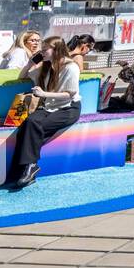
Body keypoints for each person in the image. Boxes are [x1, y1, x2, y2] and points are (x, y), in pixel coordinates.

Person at [8, 36, 83, 189]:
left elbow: (70, 94)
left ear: (56, 50)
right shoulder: (46, 66)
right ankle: (25, 168)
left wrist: (44, 94)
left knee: (34, 125)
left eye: (45, 49)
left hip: (69, 108)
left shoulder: (71, 67)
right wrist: (30, 63)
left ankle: (29, 167)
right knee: (28, 124)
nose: (42, 52)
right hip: (49, 106)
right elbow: (22, 76)